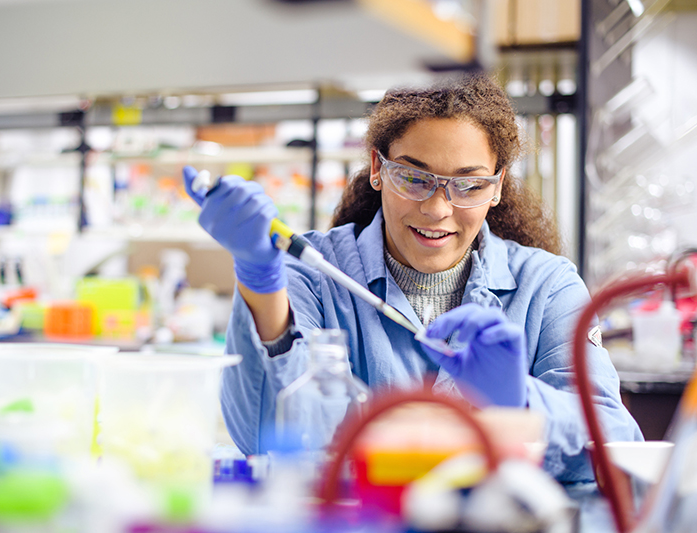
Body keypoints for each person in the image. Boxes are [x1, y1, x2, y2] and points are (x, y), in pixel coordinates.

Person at [182, 73, 641, 485]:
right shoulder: (312, 271)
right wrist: (261, 282)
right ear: (379, 169)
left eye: (469, 184)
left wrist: (520, 401)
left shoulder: (547, 285)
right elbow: (264, 436)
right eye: (415, 178)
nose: (438, 209)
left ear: (497, 185)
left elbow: (617, 443)